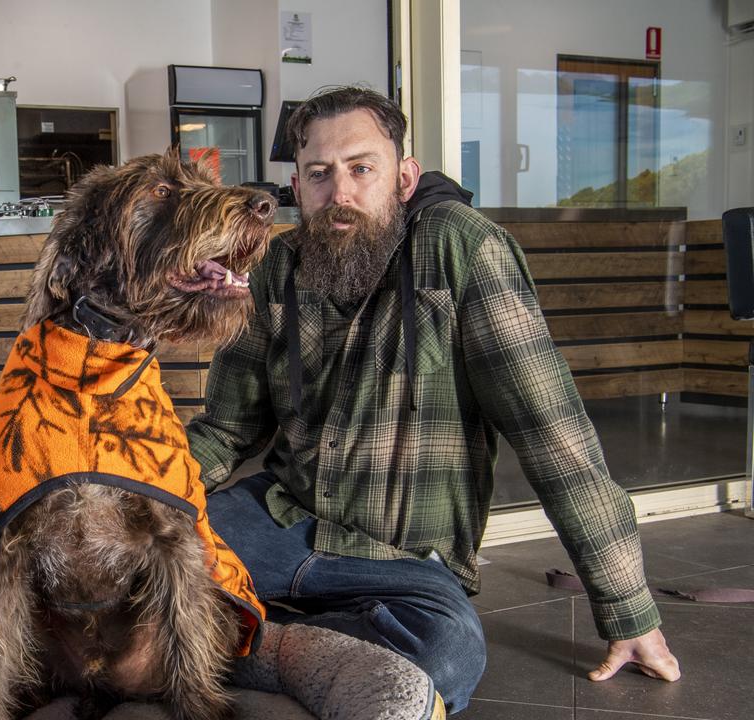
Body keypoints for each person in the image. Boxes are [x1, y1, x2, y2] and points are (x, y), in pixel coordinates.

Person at [186, 86, 681, 714]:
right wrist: (130, 493)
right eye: (320, 174)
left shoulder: (462, 252)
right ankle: (287, 646)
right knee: (139, 567)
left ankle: (234, 639)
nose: (340, 193)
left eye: (362, 169)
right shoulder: (275, 267)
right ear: (298, 185)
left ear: (403, 177)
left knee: (445, 655)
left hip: (401, 560)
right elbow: (225, 429)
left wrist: (627, 607)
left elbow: (552, 435)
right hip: (281, 524)